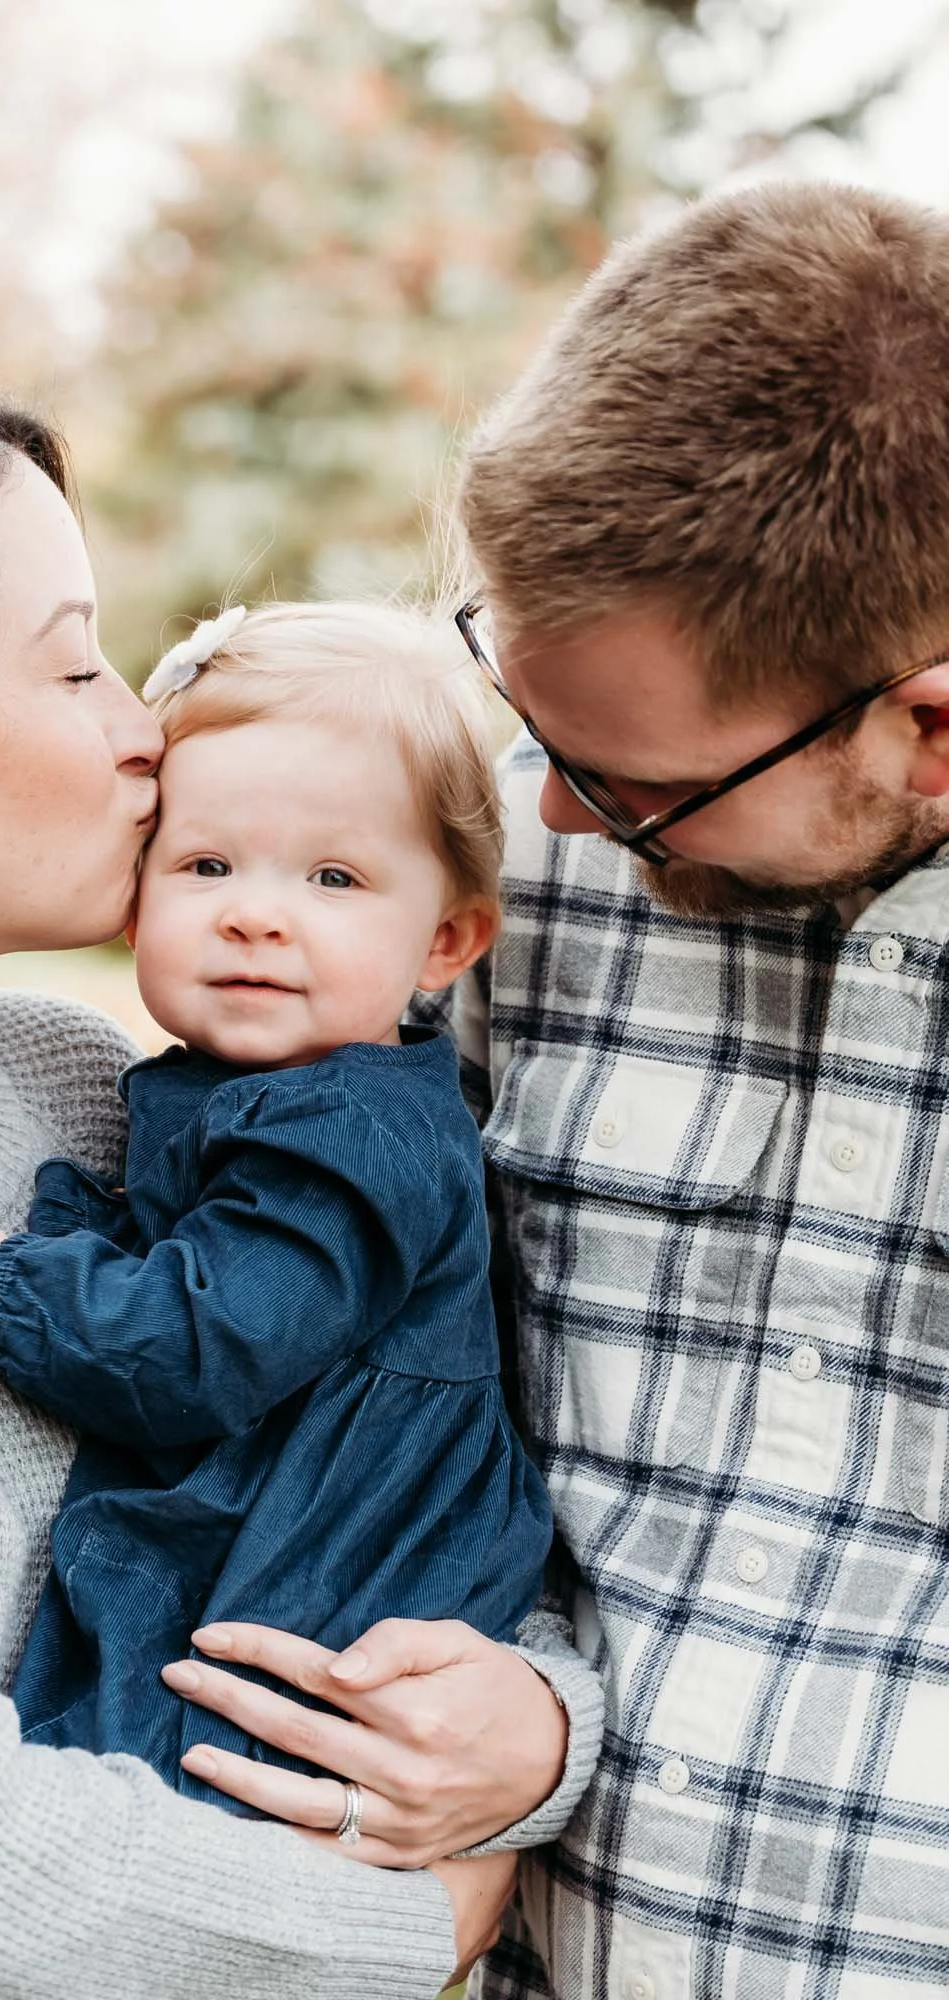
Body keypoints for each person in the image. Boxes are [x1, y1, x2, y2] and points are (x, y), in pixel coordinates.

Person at [0, 374, 603, 1998]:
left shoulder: (80, 1091)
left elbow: (410, 1457)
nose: (148, 732)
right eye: (76, 663)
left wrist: (537, 1730)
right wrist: (438, 1911)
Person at [433, 179, 949, 1998]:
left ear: (931, 724)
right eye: (527, 720)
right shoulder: (502, 872)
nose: (556, 809)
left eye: (633, 783)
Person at [0, 599, 554, 1815]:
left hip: (321, 1595)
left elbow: (200, 1345)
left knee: (150, 1797)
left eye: (335, 876)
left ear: (443, 939)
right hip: (268, 1544)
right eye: (206, 864)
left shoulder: (351, 1136)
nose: (257, 909)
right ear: (136, 897)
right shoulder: (246, 1094)